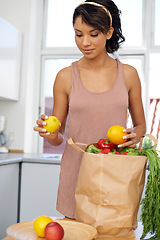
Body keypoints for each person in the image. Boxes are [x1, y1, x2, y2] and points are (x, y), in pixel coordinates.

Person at [34, 0, 146, 219]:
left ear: (108, 32)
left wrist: (135, 137)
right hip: (76, 174)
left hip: (114, 174)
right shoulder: (65, 77)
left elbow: (140, 125)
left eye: (93, 34)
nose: (85, 42)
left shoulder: (129, 74)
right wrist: (51, 134)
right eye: (78, 34)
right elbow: (58, 137)